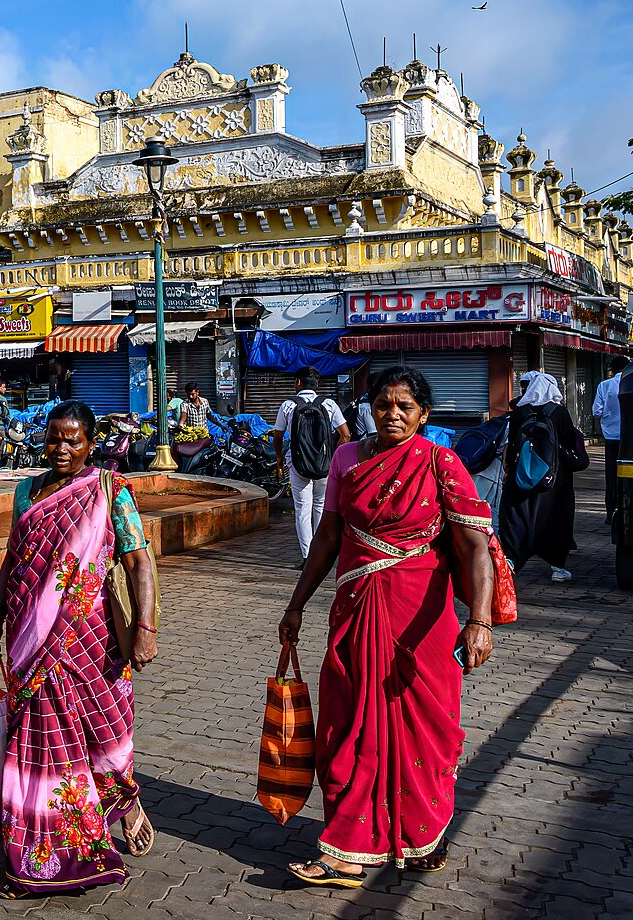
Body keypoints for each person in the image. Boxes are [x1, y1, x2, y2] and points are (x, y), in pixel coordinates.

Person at [278, 365, 496, 888]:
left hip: (423, 618)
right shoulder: (347, 458)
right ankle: (349, 851)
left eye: (405, 407)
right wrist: (296, 604)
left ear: (423, 414)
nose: (392, 415)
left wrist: (480, 621)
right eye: (383, 405)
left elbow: (474, 546)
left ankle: (423, 834)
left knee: (425, 726)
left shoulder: (440, 462)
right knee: (349, 723)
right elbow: (327, 537)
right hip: (355, 609)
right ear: (368, 408)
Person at [0, 401, 159, 899]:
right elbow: (13, 561)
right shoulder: (27, 493)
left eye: (73, 440)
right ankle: (35, 861)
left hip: (91, 640)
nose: (61, 447)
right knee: (35, 749)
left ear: (91, 444)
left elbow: (138, 561)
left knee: (103, 731)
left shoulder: (109, 490)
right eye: (54, 437)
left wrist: (146, 628)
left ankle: (123, 800)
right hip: (28, 643)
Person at [501, 370, 582, 583]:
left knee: (516, 516)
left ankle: (511, 560)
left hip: (522, 475)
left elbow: (512, 444)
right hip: (556, 479)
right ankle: (558, 567)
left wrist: (509, 468)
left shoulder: (520, 411)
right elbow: (569, 443)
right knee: (557, 518)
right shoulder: (559, 412)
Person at [275, 367, 352, 560]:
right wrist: (332, 457)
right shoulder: (329, 404)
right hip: (325, 466)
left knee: (302, 510)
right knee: (320, 507)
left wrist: (278, 459)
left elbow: (277, 436)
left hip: (298, 464)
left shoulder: (288, 405)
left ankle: (307, 557)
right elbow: (346, 435)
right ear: (316, 384)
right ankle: (321, 554)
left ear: (299, 382)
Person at [592, 355, 629, 522]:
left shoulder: (604, 385)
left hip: (611, 436)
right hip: (630, 437)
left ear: (611, 369)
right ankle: (627, 510)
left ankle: (610, 513)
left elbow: (596, 411)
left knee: (611, 475)